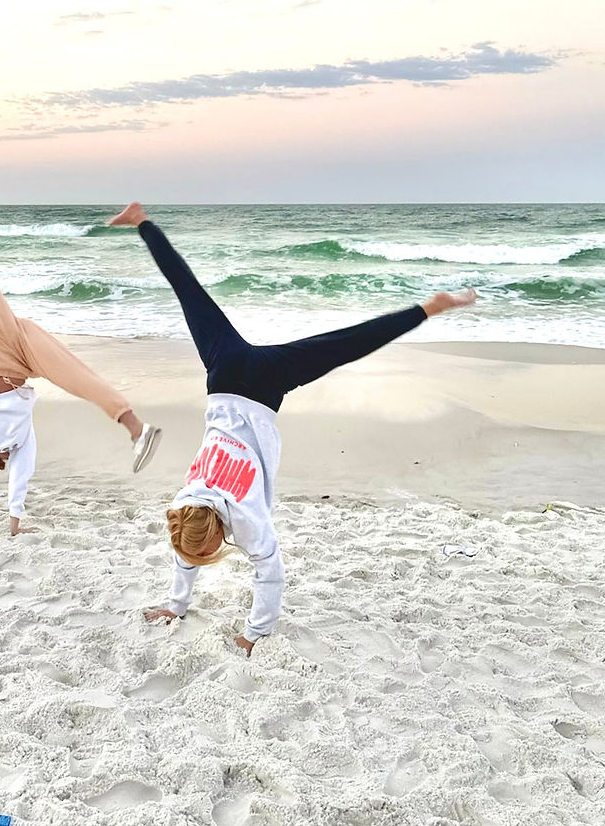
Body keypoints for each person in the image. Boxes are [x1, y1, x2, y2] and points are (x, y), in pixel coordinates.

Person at [108, 202, 476, 653]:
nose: (200, 560)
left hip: (261, 385)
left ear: (218, 535)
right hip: (224, 377)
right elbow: (185, 554)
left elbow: (271, 574)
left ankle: (429, 308)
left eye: (204, 555)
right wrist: (175, 605)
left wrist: (253, 633)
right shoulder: (184, 508)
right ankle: (142, 219)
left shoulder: (247, 523)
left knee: (346, 344)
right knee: (192, 293)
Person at [0, 162, 161, 535]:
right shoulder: (14, 439)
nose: (2, 458)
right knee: (74, 374)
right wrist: (10, 523)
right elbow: (19, 473)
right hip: (16, 355)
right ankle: (135, 428)